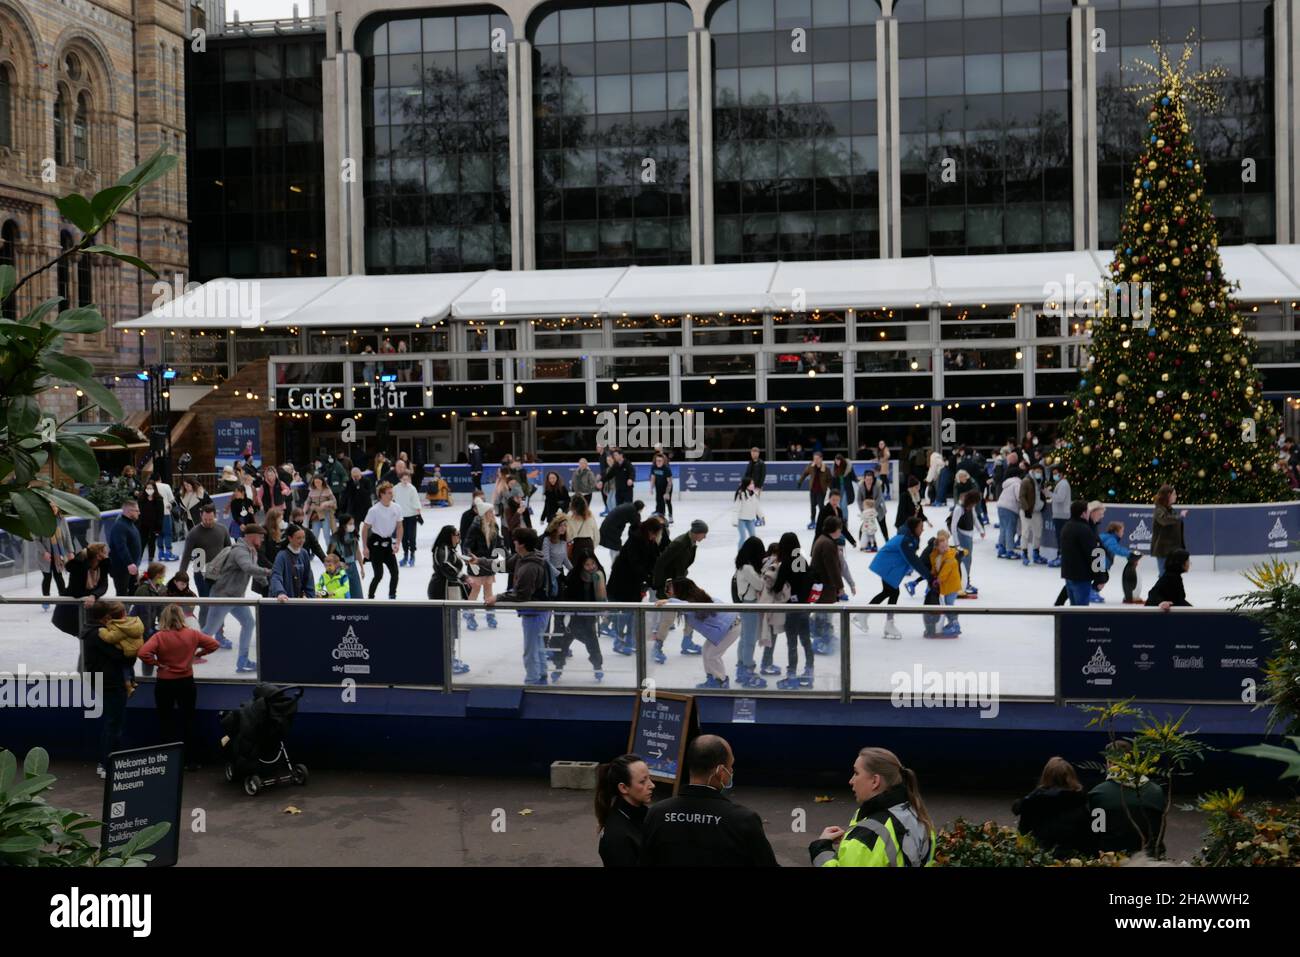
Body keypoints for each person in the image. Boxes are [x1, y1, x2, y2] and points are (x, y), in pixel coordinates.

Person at [640, 735, 777, 867]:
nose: (731, 771)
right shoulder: (743, 820)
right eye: (730, 766)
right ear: (720, 771)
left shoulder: (656, 814)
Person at [810, 747, 936, 867]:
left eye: (856, 773)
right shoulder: (919, 818)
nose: (851, 781)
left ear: (875, 781)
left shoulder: (866, 837)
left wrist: (821, 848)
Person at [138, 604, 219, 771]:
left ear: (164, 618)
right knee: (188, 720)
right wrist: (198, 655)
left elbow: (143, 653)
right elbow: (214, 644)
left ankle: (168, 760)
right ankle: (190, 760)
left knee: (165, 721)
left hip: (165, 683)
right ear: (182, 617)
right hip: (186, 682)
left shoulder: (160, 636)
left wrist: (157, 663)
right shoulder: (193, 634)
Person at [485, 527, 552, 686]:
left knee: (530, 649)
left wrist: (498, 597)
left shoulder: (530, 567)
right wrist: (479, 561)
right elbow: (502, 565)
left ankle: (532, 680)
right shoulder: (522, 557)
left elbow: (522, 595)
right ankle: (541, 675)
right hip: (538, 611)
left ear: (521, 544)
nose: (513, 542)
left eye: (515, 540)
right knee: (538, 644)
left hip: (535, 612)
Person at [203, 523, 271, 673]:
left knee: (248, 622)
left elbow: (252, 572)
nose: (262, 540)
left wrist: (267, 585)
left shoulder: (252, 551)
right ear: (252, 536)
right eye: (261, 537)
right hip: (222, 596)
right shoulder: (240, 551)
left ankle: (243, 660)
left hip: (235, 597)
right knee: (209, 631)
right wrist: (269, 572)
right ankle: (182, 652)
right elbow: (248, 567)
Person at [657, 577, 741, 690]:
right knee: (706, 651)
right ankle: (711, 678)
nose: (668, 592)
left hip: (730, 628)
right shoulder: (695, 597)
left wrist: (668, 601)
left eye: (671, 589)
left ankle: (721, 681)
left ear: (680, 590)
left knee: (712, 655)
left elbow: (686, 606)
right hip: (725, 628)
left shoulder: (693, 602)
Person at [82, 600, 134, 778]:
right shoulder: (99, 635)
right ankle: (108, 764)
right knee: (114, 725)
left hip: (103, 680)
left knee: (112, 723)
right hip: (111, 682)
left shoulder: (92, 631)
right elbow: (121, 657)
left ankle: (106, 762)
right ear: (106, 617)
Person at [1088, 741, 1166, 856]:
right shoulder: (1156, 791)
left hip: (1112, 858)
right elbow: (1158, 829)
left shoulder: (1098, 794)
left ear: (1110, 762)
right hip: (1150, 856)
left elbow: (1097, 831)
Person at [649, 521, 708, 663]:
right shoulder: (680, 543)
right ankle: (657, 647)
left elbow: (682, 565)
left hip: (680, 583)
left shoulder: (690, 542)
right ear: (696, 532)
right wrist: (660, 587)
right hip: (670, 586)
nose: (704, 537)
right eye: (703, 534)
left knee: (693, 608)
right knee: (669, 617)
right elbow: (660, 563)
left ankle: (687, 641)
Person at [1013, 757, 1093, 860]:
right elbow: (1088, 839)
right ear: (1071, 777)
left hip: (1039, 858)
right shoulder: (1081, 803)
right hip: (1073, 859)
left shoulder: (1032, 803)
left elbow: (1023, 835)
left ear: (1046, 776)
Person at [607, 516, 665, 655]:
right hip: (622, 582)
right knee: (625, 613)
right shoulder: (635, 540)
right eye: (655, 534)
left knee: (633, 613)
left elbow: (654, 559)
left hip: (634, 583)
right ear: (650, 531)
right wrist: (649, 579)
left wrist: (656, 577)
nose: (655, 537)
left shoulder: (648, 541)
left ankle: (629, 640)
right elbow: (635, 565)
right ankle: (619, 641)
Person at [866, 516, 929, 639]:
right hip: (886, 566)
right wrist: (928, 576)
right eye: (921, 527)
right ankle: (884, 623)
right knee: (892, 592)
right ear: (914, 527)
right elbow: (913, 560)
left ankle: (865, 616)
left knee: (889, 592)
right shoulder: (906, 540)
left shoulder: (910, 538)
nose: (923, 529)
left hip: (888, 566)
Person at [552, 552, 607, 683]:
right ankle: (558, 668)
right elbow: (567, 596)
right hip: (573, 618)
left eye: (592, 563)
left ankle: (598, 667)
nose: (591, 566)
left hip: (588, 618)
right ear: (581, 565)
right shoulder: (574, 576)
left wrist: (602, 610)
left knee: (592, 643)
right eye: (587, 564)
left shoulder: (598, 575)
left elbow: (602, 596)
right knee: (563, 643)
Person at [771, 531, 815, 688]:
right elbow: (810, 580)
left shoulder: (786, 564)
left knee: (792, 643)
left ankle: (792, 675)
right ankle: (809, 671)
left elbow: (777, 587)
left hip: (791, 608)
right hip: (804, 607)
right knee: (805, 640)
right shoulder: (802, 561)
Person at [596, 754, 655, 867]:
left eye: (649, 778)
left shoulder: (642, 814)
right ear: (623, 788)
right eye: (643, 782)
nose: (652, 785)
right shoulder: (617, 836)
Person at [427, 525, 472, 675]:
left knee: (451, 626)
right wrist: (463, 576)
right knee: (447, 627)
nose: (459, 538)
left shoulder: (448, 549)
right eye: (457, 535)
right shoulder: (443, 548)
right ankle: (447, 660)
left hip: (449, 590)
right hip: (443, 591)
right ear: (449, 536)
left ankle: (450, 658)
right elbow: (445, 565)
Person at [53, 543, 110, 637]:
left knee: (89, 635)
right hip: (70, 609)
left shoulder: (102, 565)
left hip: (86, 607)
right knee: (85, 635)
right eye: (104, 552)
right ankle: (84, 651)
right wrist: (91, 595)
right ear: (98, 556)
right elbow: (76, 591)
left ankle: (85, 651)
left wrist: (93, 595)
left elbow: (103, 586)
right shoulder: (79, 566)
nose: (106, 555)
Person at [732, 536, 766, 689]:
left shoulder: (742, 566)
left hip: (746, 604)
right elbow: (759, 585)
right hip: (749, 604)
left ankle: (741, 666)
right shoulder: (747, 568)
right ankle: (747, 668)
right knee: (749, 638)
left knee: (745, 635)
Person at [360, 481, 403, 600]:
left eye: (392, 492)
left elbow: (400, 526)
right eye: (389, 493)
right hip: (375, 544)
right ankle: (370, 597)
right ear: (381, 494)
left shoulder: (397, 507)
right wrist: (365, 547)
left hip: (388, 542)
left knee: (395, 573)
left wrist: (398, 543)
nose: (391, 495)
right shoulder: (374, 510)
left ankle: (392, 595)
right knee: (378, 575)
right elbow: (365, 529)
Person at [809, 517, 844, 661]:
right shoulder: (828, 544)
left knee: (822, 613)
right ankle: (822, 640)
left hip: (822, 585)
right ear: (834, 529)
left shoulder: (823, 540)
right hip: (825, 586)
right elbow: (832, 568)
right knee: (824, 613)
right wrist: (840, 586)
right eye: (840, 528)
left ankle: (825, 636)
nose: (841, 531)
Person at [464, 507, 505, 631]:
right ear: (484, 514)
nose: (493, 514)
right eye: (490, 512)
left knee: (488, 591)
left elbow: (499, 542)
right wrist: (470, 559)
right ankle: (469, 615)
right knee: (475, 590)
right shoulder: (475, 527)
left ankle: (490, 615)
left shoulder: (494, 526)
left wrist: (503, 555)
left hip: (488, 564)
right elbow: (467, 545)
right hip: (476, 564)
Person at [179, 504, 231, 598]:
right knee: (206, 604)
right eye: (205, 519)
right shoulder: (193, 533)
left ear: (215, 516)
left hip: (220, 573)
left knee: (220, 603)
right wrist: (181, 575)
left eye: (210, 519)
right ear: (201, 516)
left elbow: (229, 550)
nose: (208, 522)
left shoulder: (223, 529)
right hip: (202, 575)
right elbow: (186, 556)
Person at [1057, 500, 1101, 607]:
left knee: (1075, 611)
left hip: (1069, 575)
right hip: (1081, 577)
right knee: (1080, 612)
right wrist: (1100, 576)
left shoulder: (1067, 526)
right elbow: (1094, 553)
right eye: (1088, 511)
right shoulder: (1084, 530)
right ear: (1083, 513)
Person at [926, 530, 964, 637]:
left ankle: (955, 626)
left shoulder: (949, 556)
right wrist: (933, 575)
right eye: (942, 547)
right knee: (948, 606)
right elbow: (935, 567)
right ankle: (952, 623)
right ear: (937, 547)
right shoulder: (937, 555)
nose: (945, 548)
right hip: (947, 585)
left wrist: (938, 580)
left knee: (949, 606)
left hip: (952, 585)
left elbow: (944, 572)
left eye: (946, 546)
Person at [37, 502, 74, 610]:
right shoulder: (40, 521)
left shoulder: (62, 519)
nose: (54, 509)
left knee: (59, 576)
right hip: (46, 556)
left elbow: (67, 536)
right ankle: (46, 600)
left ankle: (63, 599)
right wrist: (44, 552)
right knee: (47, 577)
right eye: (51, 507)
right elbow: (36, 540)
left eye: (55, 507)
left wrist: (70, 551)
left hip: (59, 555)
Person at [948, 489, 984, 597]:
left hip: (969, 536)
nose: (974, 505)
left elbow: (974, 518)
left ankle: (966, 582)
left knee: (968, 561)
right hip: (961, 536)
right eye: (974, 502)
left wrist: (981, 530)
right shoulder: (959, 509)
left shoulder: (970, 508)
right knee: (963, 561)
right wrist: (957, 543)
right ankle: (962, 584)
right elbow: (953, 526)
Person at [1099, 521, 1143, 604]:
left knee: (1102, 577)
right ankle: (1092, 592)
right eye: (1122, 531)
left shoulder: (1106, 537)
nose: (1123, 533)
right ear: (1116, 531)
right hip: (1100, 563)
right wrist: (1129, 553)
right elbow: (1116, 549)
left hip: (1099, 562)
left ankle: (1092, 592)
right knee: (1102, 578)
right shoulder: (1110, 539)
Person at [271, 525, 316, 600]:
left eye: (303, 537)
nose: (302, 541)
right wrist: (280, 592)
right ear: (290, 538)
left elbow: (308, 577)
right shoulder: (282, 555)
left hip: (300, 600)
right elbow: (276, 576)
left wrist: (309, 596)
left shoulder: (304, 553)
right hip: (284, 600)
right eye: (298, 538)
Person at [107, 499, 142, 596]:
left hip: (131, 567)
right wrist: (129, 563)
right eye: (136, 510)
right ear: (129, 511)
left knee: (133, 593)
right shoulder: (120, 526)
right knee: (122, 594)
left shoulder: (130, 524)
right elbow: (121, 547)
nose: (139, 513)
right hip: (122, 569)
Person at [1151, 484, 1188, 577]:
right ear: (1168, 495)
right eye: (1174, 494)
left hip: (1173, 550)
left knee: (1172, 576)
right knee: (1164, 576)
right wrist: (1180, 516)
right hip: (1163, 550)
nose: (1176, 496)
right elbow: (1164, 520)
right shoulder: (1159, 509)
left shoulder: (1171, 510)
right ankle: (1162, 591)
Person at [1018, 462, 1049, 566]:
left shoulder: (1040, 482)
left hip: (1037, 511)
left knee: (1038, 532)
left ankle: (1036, 553)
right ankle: (1024, 553)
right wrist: (1026, 509)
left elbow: (1040, 495)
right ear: (1033, 471)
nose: (1039, 473)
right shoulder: (1026, 481)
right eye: (1037, 471)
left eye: (1040, 472)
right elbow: (1021, 496)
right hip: (1027, 510)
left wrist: (1043, 504)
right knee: (1025, 532)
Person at [329, 514, 365, 599]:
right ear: (344, 524)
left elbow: (358, 552)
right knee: (342, 593)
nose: (352, 526)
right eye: (350, 523)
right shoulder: (336, 537)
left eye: (353, 523)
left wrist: (362, 568)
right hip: (340, 567)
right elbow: (330, 554)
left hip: (352, 566)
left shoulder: (353, 536)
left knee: (356, 592)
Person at [392, 470, 423, 568]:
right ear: (400, 479)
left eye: (407, 479)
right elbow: (392, 500)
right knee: (403, 537)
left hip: (412, 516)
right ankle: (405, 555)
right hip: (401, 517)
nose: (406, 481)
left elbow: (416, 501)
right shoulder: (396, 488)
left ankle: (412, 555)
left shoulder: (412, 488)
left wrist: (419, 514)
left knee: (411, 536)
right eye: (404, 479)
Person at [797, 451, 831, 530]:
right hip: (813, 490)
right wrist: (800, 482)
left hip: (821, 491)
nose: (815, 460)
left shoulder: (826, 468)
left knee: (821, 506)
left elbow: (830, 479)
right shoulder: (811, 466)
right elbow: (805, 474)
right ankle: (812, 521)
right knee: (812, 506)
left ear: (821, 459)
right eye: (814, 458)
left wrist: (831, 488)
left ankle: (823, 521)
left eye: (817, 458)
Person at [995, 467, 1023, 559]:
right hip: (1010, 508)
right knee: (1010, 529)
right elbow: (1019, 497)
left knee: (1003, 528)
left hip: (1001, 506)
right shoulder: (1017, 484)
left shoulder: (1007, 484)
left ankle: (1001, 548)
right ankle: (1010, 550)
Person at [1047, 465, 1072, 567]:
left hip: (1062, 515)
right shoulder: (1061, 484)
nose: (1054, 475)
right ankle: (1061, 556)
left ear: (1061, 474)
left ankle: (1062, 557)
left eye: (1056, 473)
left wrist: (1049, 494)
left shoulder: (1063, 484)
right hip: (1059, 515)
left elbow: (1060, 498)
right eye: (1053, 474)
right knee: (1060, 537)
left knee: (1062, 538)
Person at [565, 493, 599, 566]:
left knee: (576, 570)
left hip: (577, 546)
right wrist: (592, 546)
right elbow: (596, 535)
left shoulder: (570, 516)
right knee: (588, 569)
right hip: (589, 544)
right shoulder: (590, 515)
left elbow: (568, 536)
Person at [306, 474, 338, 547]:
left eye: (319, 482)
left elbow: (334, 501)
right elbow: (307, 502)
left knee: (326, 535)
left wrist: (326, 503)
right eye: (315, 482)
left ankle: (330, 553)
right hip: (315, 515)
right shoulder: (311, 491)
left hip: (326, 514)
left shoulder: (327, 490)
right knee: (314, 536)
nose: (317, 484)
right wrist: (306, 510)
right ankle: (313, 554)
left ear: (322, 482)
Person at [734, 481, 762, 548]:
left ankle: (752, 553)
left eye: (753, 483)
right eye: (751, 484)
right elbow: (736, 508)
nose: (753, 485)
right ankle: (740, 554)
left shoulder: (754, 494)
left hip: (751, 519)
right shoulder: (741, 494)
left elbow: (757, 507)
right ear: (746, 485)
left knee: (753, 537)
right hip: (741, 520)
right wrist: (734, 520)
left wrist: (761, 516)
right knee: (743, 537)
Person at [649, 452, 673, 523]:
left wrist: (667, 493)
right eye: (657, 461)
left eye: (660, 461)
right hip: (658, 487)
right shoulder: (653, 467)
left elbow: (669, 482)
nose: (658, 462)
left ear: (663, 461)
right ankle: (661, 515)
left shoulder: (666, 469)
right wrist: (651, 488)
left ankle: (670, 515)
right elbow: (653, 478)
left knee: (668, 502)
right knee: (659, 501)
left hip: (667, 487)